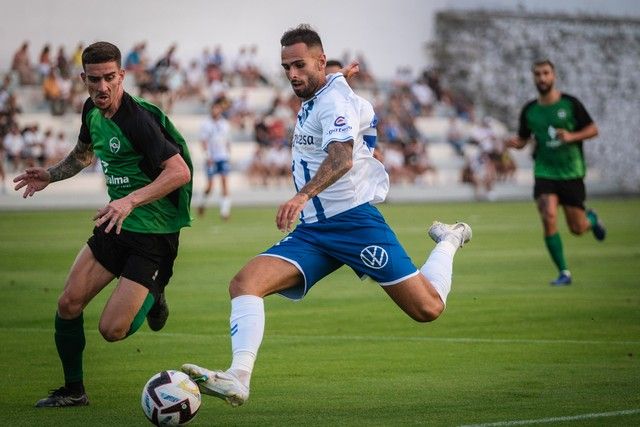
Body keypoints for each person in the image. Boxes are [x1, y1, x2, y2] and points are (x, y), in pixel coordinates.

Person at [181, 24, 472, 407]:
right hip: (315, 231)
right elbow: (334, 86)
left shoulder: (333, 102)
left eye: (300, 65)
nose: (292, 75)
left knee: (427, 308)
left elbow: (342, 157)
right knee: (245, 283)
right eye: (286, 67)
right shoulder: (326, 91)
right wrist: (338, 76)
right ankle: (238, 377)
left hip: (353, 223)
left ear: (319, 61)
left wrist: (302, 194)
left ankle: (450, 239)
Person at [13, 41, 193, 407]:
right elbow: (82, 155)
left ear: (122, 76)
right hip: (115, 223)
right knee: (68, 303)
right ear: (83, 79)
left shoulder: (137, 119)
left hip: (153, 233)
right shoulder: (90, 111)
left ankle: (155, 296)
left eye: (110, 78)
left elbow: (179, 172)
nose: (102, 87)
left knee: (111, 331)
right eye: (94, 79)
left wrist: (129, 200)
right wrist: (50, 174)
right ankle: (73, 391)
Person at [506, 59, 605, 286]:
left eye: (546, 73)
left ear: (554, 75)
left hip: (571, 172)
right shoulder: (530, 110)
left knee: (577, 228)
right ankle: (564, 272)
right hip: (544, 171)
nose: (542, 78)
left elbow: (593, 129)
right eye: (538, 74)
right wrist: (515, 143)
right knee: (548, 216)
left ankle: (591, 218)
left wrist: (572, 136)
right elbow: (524, 139)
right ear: (533, 77)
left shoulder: (570, 104)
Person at [197, 97, 232, 219]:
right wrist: (207, 155)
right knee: (210, 186)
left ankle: (225, 212)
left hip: (222, 157)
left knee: (224, 182)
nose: (215, 110)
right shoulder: (206, 124)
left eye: (217, 108)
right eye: (214, 108)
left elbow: (227, 141)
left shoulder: (225, 124)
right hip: (211, 158)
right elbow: (204, 141)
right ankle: (202, 203)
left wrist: (228, 154)